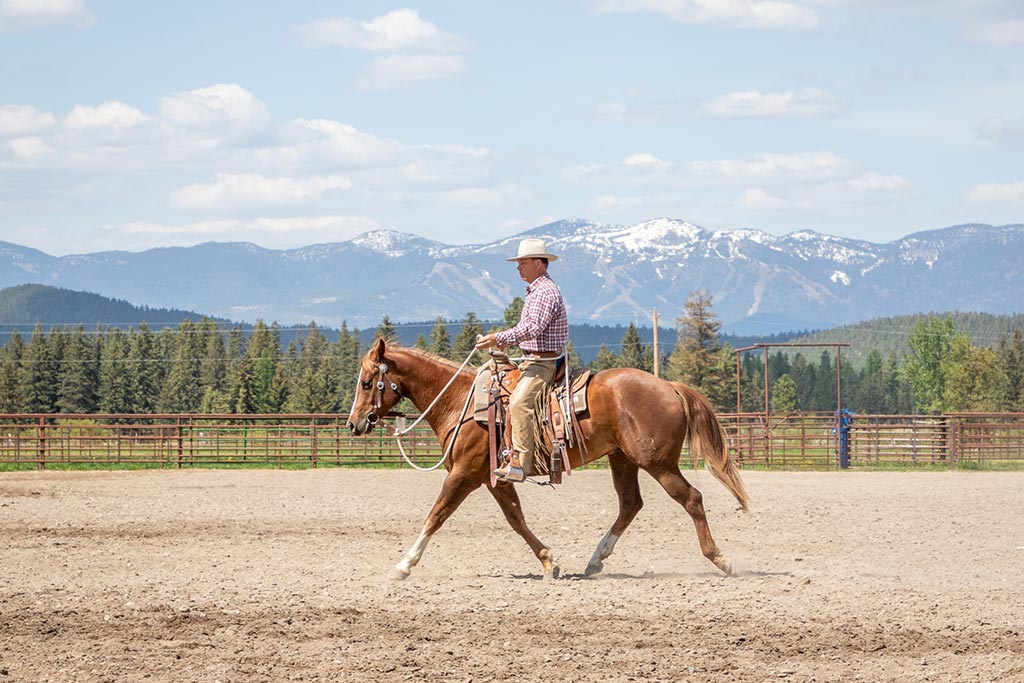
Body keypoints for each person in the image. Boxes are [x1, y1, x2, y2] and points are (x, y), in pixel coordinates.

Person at [475, 237, 569, 483]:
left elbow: (533, 327)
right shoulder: (537, 291)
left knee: (519, 403)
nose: (518, 268)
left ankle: (520, 463)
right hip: (532, 358)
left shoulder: (545, 292)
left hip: (543, 363)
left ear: (538, 263)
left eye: (523, 263)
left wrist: (498, 337)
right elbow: (528, 328)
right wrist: (504, 342)